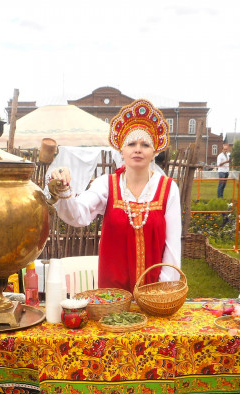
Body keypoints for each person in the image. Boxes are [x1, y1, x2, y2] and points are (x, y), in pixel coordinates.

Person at [47, 98, 181, 292]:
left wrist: (163, 290)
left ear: (154, 152)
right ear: (122, 151)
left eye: (145, 145)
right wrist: (63, 189)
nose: (137, 149)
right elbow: (78, 214)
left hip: (155, 295)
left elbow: (172, 247)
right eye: (131, 143)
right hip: (112, 298)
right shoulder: (107, 185)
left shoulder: (168, 189)